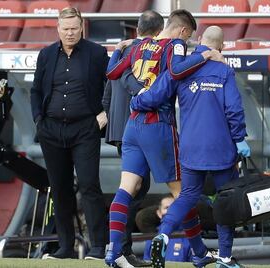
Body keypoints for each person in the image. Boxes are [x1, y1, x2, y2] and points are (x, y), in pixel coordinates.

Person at [105, 9, 223, 268]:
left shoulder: (139, 45)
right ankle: (200, 252)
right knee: (184, 193)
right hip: (157, 124)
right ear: (183, 31)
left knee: (127, 188)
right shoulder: (176, 45)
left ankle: (113, 251)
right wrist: (205, 54)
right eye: (190, 36)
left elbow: (112, 72)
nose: (189, 41)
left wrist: (118, 49)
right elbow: (177, 70)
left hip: (132, 125)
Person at [130, 26, 251, 268]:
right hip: (222, 149)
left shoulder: (183, 68)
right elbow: (234, 109)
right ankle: (225, 258)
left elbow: (157, 94)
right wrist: (240, 138)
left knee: (186, 196)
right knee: (224, 201)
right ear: (222, 46)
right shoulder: (224, 71)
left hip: (190, 147)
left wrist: (136, 101)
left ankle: (163, 234)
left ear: (198, 40)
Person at [31, 7, 109, 260]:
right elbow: (35, 90)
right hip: (51, 129)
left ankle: (98, 247)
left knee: (89, 186)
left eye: (74, 28)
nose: (70, 33)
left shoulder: (96, 53)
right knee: (60, 188)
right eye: (65, 29)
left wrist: (104, 113)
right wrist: (38, 120)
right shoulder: (45, 55)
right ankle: (64, 247)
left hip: (85, 128)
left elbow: (112, 84)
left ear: (81, 27)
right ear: (58, 29)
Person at [102, 10, 165, 268]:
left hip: (120, 129)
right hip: (140, 127)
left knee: (134, 189)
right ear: (159, 31)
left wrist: (108, 119)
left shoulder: (120, 53)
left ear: (137, 28)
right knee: (133, 191)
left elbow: (107, 91)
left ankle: (119, 249)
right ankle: (120, 250)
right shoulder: (153, 53)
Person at [142, 194, 193, 263]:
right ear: (159, 213)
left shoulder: (189, 238)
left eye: (174, 207)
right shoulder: (151, 239)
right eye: (167, 207)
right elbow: (147, 264)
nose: (170, 211)